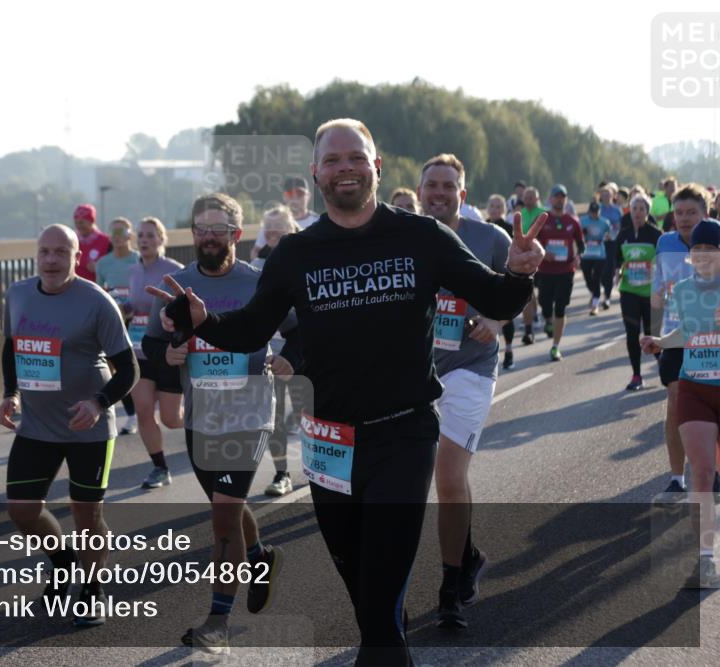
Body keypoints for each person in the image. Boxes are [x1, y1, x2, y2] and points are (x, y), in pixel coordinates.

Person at [148, 119, 546, 666]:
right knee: (367, 600)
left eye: (356, 157)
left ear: (376, 167)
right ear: (316, 173)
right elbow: (251, 329)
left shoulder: (422, 237)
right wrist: (203, 321)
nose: (345, 168)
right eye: (332, 160)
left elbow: (496, 298)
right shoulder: (296, 253)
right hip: (328, 443)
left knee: (379, 616)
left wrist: (520, 274)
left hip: (403, 435)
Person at [144, 193, 299, 653]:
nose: (209, 237)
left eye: (219, 229)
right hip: (202, 415)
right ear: (193, 235)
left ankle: (217, 622)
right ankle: (259, 557)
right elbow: (151, 344)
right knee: (224, 506)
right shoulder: (177, 284)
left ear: (237, 234)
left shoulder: (259, 281)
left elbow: (298, 329)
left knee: (224, 514)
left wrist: (290, 357)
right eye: (201, 229)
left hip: (250, 413)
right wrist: (168, 353)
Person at [0, 224, 137, 627]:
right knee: (22, 511)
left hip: (87, 428)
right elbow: (11, 347)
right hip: (36, 425)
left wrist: (98, 403)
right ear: (36, 255)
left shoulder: (97, 302)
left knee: (86, 516)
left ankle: (92, 589)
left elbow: (129, 368)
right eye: (45, 251)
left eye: (61, 252)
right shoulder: (18, 294)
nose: (51, 260)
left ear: (77, 258)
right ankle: (63, 561)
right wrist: (11, 393)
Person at [418, 155, 508, 630]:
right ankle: (468, 554)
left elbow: (520, 287)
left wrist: (495, 319)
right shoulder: (402, 237)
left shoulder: (490, 238)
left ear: (462, 194)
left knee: (449, 477)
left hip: (471, 368)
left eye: (448, 185)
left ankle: (450, 588)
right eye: (431, 185)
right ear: (419, 192)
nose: (439, 192)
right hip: (415, 371)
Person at [641, 218, 720, 588]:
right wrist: (660, 341)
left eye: (710, 249)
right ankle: (706, 560)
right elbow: (686, 332)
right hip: (694, 388)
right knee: (702, 472)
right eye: (697, 249)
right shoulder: (684, 289)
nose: (702, 254)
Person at [651, 185, 710, 495]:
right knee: (675, 404)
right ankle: (677, 478)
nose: (684, 219)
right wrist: (655, 335)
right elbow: (658, 289)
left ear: (705, 213)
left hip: (711, 338)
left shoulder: (715, 238)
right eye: (679, 213)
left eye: (691, 213)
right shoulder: (665, 243)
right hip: (676, 336)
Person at [127, 217, 185, 489]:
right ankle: (160, 467)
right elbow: (134, 306)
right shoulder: (133, 271)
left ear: (161, 239)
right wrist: (125, 308)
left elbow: (187, 309)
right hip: (139, 351)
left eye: (150, 235)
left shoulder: (174, 270)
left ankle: (205, 421)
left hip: (167, 351)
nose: (144, 240)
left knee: (171, 420)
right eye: (140, 235)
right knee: (143, 410)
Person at [252, 205, 301, 496]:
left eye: (278, 230)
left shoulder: (308, 254)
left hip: (305, 345)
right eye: (268, 231)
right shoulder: (257, 263)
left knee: (311, 412)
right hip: (273, 351)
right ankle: (282, 473)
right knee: (276, 415)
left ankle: (324, 467)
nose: (272, 236)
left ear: (291, 229)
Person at [95, 217, 141, 434]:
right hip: (116, 322)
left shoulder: (139, 259)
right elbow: (99, 292)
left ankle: (145, 409)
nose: (117, 237)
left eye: (122, 232)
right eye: (113, 233)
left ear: (130, 235)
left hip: (140, 322)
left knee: (141, 369)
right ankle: (131, 416)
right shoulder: (103, 263)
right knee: (117, 369)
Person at [615, 192, 662, 390]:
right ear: (630, 211)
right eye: (634, 208)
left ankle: (663, 367)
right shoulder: (624, 234)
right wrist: (617, 271)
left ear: (647, 212)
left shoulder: (655, 234)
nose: (638, 212)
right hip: (629, 291)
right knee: (632, 333)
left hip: (650, 293)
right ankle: (636, 375)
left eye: (642, 209)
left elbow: (664, 260)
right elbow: (616, 257)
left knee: (652, 334)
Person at [535, 185, 584, 361]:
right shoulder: (543, 219)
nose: (559, 199)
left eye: (562, 196)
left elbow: (581, 245)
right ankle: (548, 320)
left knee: (561, 308)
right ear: (550, 199)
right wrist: (542, 253)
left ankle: (555, 346)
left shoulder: (572, 221)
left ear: (566, 200)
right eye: (556, 196)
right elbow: (532, 241)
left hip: (566, 271)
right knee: (545, 304)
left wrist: (578, 257)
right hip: (545, 271)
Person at [250, 176, 320, 259]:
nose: (295, 197)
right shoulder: (271, 222)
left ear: (308, 196)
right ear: (284, 196)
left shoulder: (318, 222)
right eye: (290, 193)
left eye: (299, 193)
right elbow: (256, 251)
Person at [485, 195, 516, 369]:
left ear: (504, 209)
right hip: (487, 277)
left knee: (506, 316)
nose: (495, 209)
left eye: (498, 206)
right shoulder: (482, 227)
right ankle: (490, 354)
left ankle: (509, 349)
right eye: (492, 206)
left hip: (505, 277)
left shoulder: (509, 228)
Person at [519, 186, 546, 344]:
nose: (528, 199)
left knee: (543, 294)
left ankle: (546, 317)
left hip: (543, 258)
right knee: (528, 292)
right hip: (526, 258)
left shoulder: (544, 213)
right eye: (526, 196)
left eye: (531, 196)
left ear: (537, 198)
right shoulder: (520, 214)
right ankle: (529, 329)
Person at [579, 201, 611, 316]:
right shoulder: (582, 221)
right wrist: (583, 233)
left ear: (599, 211)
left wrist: (608, 237)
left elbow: (610, 234)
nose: (594, 214)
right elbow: (577, 234)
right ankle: (595, 293)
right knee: (588, 278)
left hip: (599, 254)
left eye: (596, 212)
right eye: (592, 212)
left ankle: (595, 304)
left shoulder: (605, 222)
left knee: (596, 277)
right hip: (586, 254)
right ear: (589, 212)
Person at [598, 184, 623, 310]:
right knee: (601, 270)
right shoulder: (598, 209)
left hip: (613, 242)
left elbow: (621, 226)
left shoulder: (617, 210)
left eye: (608, 195)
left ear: (613, 196)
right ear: (600, 197)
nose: (606, 197)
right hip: (599, 243)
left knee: (609, 269)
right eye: (604, 195)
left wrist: (615, 233)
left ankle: (607, 297)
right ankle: (602, 288)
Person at [73, 204, 111, 282]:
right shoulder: (72, 240)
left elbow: (113, 265)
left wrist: (99, 268)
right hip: (75, 285)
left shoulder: (106, 241)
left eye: (81, 222)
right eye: (76, 222)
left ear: (91, 221)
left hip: (96, 286)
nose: (78, 226)